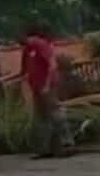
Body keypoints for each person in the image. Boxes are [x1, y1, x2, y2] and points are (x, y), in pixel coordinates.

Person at [20, 28, 74, 159]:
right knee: (41, 118)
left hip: (47, 87)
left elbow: (52, 65)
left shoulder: (41, 45)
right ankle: (45, 148)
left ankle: (67, 144)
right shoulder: (27, 49)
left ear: (31, 36)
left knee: (55, 113)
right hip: (36, 88)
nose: (23, 42)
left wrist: (47, 85)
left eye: (25, 39)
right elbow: (25, 70)